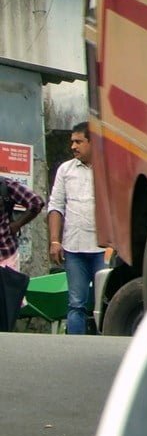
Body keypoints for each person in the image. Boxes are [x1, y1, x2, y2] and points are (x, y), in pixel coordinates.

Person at [47, 124, 104, 335]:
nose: (73, 146)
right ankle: (75, 348)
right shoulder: (66, 170)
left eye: (78, 141)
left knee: (104, 303)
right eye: (72, 141)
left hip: (102, 249)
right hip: (74, 248)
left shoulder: (106, 168)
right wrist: (55, 241)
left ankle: (104, 348)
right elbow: (55, 206)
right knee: (76, 303)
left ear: (92, 142)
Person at [1, 172, 45, 332]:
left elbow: (36, 202)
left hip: (5, 256)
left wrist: (18, 224)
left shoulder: (5, 186)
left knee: (7, 307)